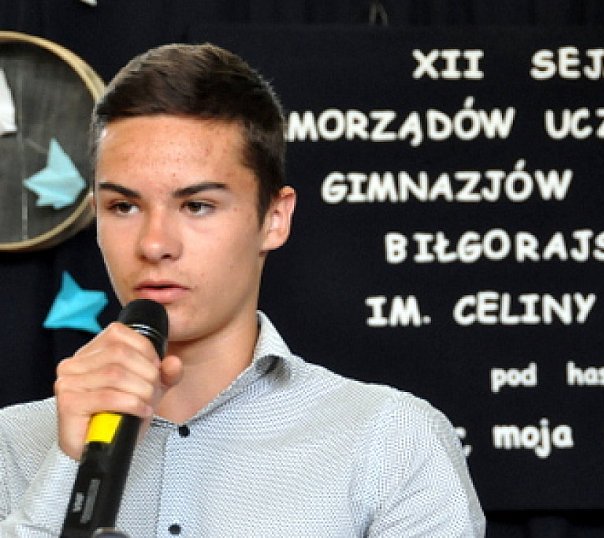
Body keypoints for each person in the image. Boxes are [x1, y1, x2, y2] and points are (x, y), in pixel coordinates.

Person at [0, 43, 485, 537]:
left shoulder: (393, 441)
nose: (154, 244)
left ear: (274, 219)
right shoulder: (12, 446)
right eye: (124, 207)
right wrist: (68, 467)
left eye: (197, 206)